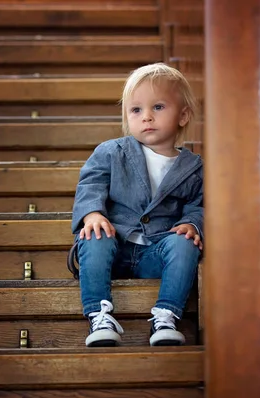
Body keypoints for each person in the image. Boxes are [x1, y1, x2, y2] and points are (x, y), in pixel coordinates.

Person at [71, 62, 203, 347]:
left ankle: (166, 316)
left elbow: (199, 204)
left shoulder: (194, 167)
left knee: (184, 242)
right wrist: (92, 213)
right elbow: (91, 184)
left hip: (156, 253)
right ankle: (99, 316)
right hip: (113, 248)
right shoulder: (111, 152)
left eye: (157, 107)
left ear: (183, 116)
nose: (146, 117)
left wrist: (192, 224)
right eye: (136, 110)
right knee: (93, 235)